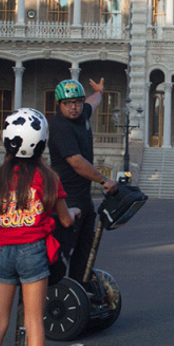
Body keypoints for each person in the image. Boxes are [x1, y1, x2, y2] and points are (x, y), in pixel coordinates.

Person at [0, 108, 79, 346]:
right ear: (41, 144)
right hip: (32, 251)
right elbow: (64, 218)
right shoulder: (48, 177)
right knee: (34, 322)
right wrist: (75, 211)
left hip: (2, 251)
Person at [48, 79, 118, 283]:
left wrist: (100, 92)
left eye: (77, 102)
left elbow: (93, 102)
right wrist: (104, 180)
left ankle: (79, 290)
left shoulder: (83, 113)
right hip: (66, 198)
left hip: (84, 198)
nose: (73, 107)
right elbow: (76, 162)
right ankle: (54, 295)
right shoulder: (60, 127)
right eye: (67, 103)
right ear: (59, 104)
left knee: (84, 251)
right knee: (62, 252)